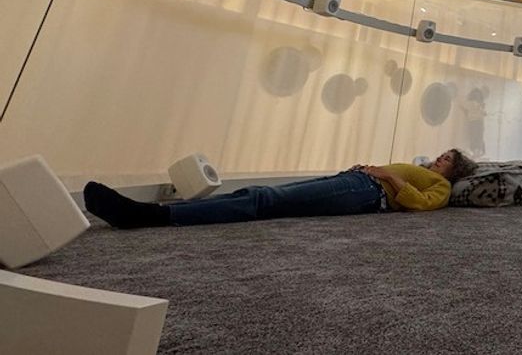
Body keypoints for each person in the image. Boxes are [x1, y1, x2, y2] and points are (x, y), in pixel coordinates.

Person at [83, 149, 478, 229]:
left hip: (365, 192)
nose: (439, 159)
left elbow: (421, 204)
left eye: (446, 159)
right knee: (260, 195)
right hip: (356, 181)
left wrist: (387, 177)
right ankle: (156, 213)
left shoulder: (442, 186)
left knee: (264, 200)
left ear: (455, 170)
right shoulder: (425, 169)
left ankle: (148, 216)